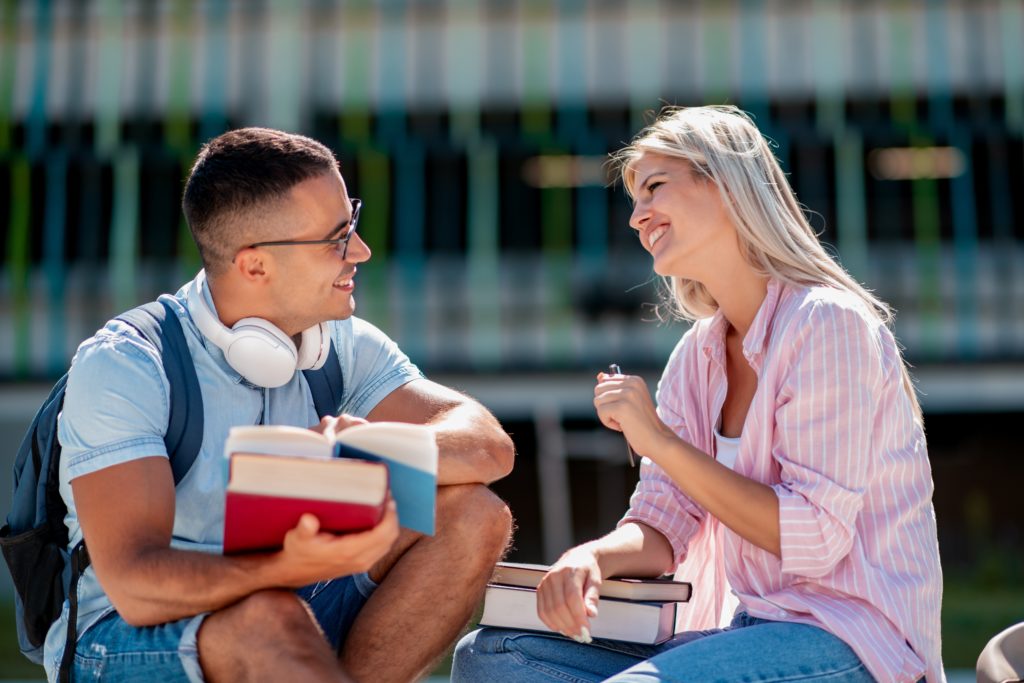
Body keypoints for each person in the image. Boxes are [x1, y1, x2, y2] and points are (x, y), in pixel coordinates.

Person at [452, 105, 943, 682]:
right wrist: (589, 558)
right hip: (746, 629)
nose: (638, 217)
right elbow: (663, 525)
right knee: (492, 656)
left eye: (655, 187)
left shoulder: (828, 324)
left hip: (852, 640)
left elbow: (810, 536)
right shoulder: (696, 356)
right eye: (634, 200)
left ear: (727, 186)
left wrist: (658, 441)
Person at [48, 127, 514, 683]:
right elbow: (135, 587)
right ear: (255, 266)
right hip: (123, 640)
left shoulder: (338, 341)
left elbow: (488, 447)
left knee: (473, 515)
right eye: (336, 238)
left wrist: (356, 447)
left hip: (286, 603)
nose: (361, 252)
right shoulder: (127, 363)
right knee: (269, 613)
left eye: (353, 223)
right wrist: (281, 568)